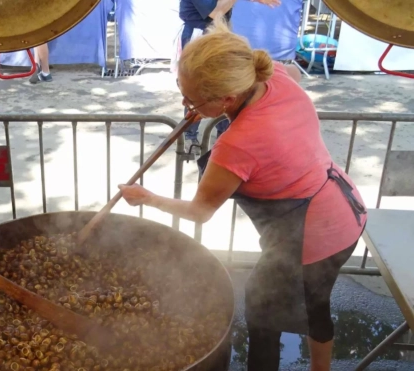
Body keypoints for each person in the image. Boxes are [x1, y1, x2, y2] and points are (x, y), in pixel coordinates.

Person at [119, 19, 366, 371]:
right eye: (180, 89)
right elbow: (291, 83)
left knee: (268, 311)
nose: (185, 104)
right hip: (345, 202)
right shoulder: (271, 76)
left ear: (227, 98)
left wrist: (146, 198)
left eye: (192, 99)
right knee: (309, 303)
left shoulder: (237, 146)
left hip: (317, 231)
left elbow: (200, 212)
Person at [178, 0, 280, 154]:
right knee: (197, 90)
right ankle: (190, 136)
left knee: (227, 87)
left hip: (217, 38)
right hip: (201, 39)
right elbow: (215, 13)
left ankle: (223, 135)